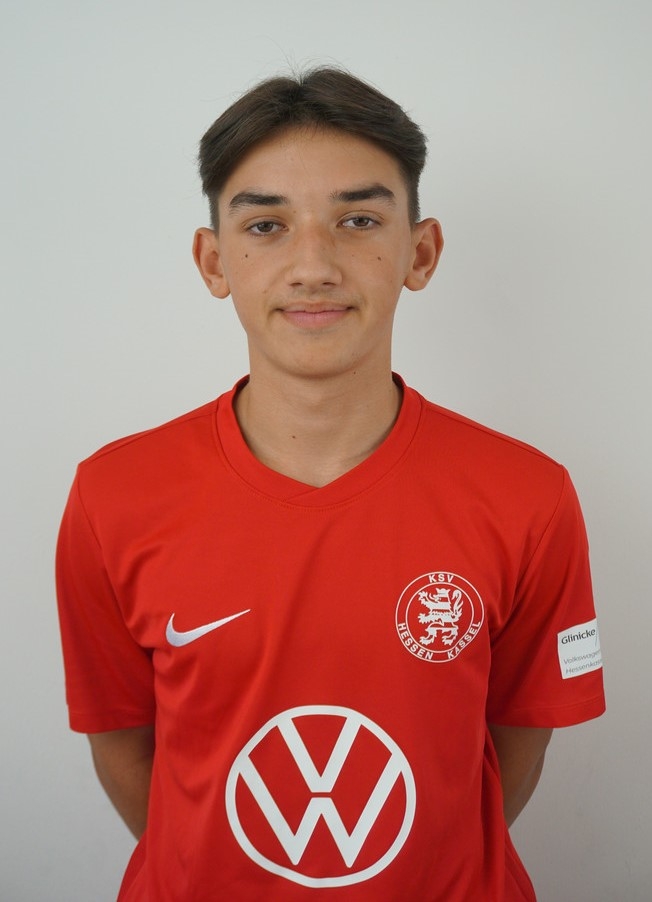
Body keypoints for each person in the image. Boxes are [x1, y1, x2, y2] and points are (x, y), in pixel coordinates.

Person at [56, 67, 605, 901]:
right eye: (267, 225)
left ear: (420, 252)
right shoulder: (114, 497)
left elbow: (512, 748)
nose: (312, 265)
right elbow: (125, 745)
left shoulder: (529, 497)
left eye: (357, 220)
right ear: (214, 261)